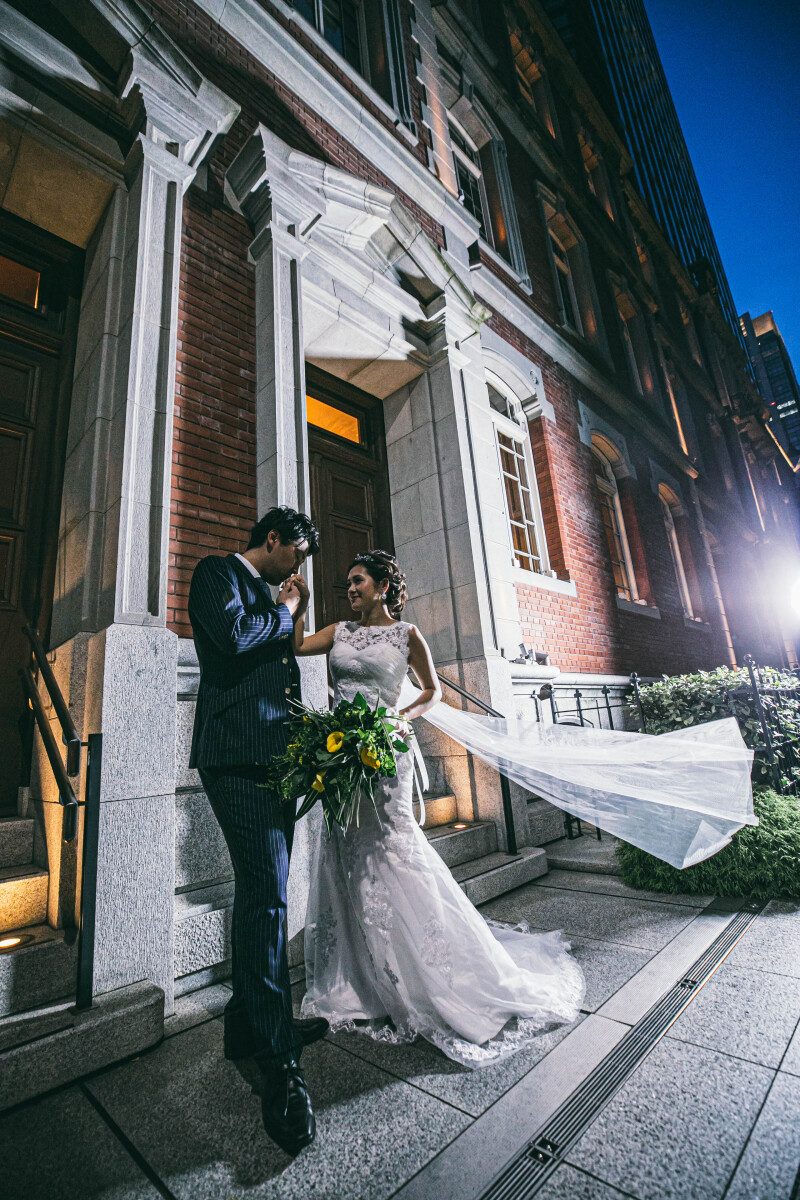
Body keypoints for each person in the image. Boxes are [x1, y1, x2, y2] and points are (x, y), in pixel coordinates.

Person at [292, 550, 586, 1068]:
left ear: (382, 587)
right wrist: (302, 603)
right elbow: (296, 645)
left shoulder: (407, 636)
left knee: (392, 848)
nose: (351, 589)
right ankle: (364, 973)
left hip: (386, 750)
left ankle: (433, 971)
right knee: (347, 851)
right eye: (347, 583)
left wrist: (398, 716)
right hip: (342, 755)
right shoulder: (337, 630)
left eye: (358, 581)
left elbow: (430, 691)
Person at [188, 506, 325, 1155]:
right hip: (236, 759)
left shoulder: (271, 597)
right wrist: (288, 611)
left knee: (261, 894)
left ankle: (247, 1022)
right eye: (296, 555)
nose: (298, 570)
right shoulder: (216, 573)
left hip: (277, 764)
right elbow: (233, 639)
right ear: (274, 541)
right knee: (268, 896)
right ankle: (279, 1062)